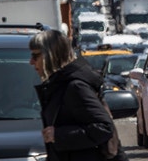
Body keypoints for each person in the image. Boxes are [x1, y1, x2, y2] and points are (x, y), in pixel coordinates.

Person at [29, 30, 128, 161]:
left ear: (51, 56)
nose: (31, 62)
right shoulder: (58, 85)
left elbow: (104, 128)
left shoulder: (75, 87)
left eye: (36, 56)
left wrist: (58, 135)